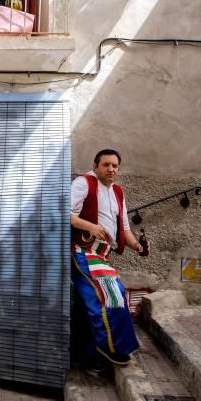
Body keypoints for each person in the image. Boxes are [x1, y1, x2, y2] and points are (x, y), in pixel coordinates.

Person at [70, 149, 145, 372]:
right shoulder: (84, 183)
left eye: (115, 166)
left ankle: (89, 358)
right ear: (96, 166)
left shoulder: (118, 192)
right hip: (82, 251)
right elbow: (62, 211)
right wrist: (91, 226)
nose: (111, 169)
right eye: (106, 165)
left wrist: (139, 247)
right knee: (113, 292)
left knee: (90, 306)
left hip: (102, 256)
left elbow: (124, 229)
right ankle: (111, 347)